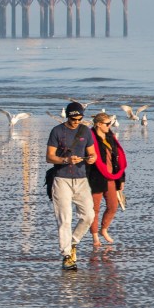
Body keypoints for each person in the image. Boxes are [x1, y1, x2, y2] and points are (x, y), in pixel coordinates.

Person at [47, 102, 97, 270]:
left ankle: (73, 242)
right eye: (73, 118)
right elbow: (49, 157)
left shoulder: (85, 131)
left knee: (89, 215)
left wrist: (91, 159)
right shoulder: (57, 131)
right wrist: (65, 160)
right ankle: (67, 256)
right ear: (67, 116)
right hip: (61, 179)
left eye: (79, 118)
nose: (76, 121)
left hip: (82, 179)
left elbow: (93, 154)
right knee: (65, 220)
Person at [87, 112, 126, 247]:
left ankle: (104, 229)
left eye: (110, 123)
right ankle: (95, 237)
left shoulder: (111, 137)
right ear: (98, 124)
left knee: (113, 206)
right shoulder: (90, 138)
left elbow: (118, 159)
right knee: (94, 209)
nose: (110, 125)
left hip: (111, 177)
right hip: (95, 178)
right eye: (107, 124)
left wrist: (121, 179)